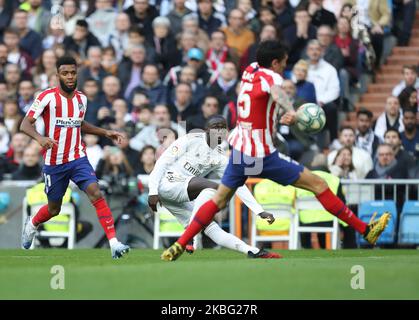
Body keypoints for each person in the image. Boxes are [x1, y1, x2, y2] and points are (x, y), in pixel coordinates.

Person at [161, 40, 390, 261]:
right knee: (319, 185)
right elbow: (277, 93)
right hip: (261, 154)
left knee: (219, 200)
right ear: (274, 63)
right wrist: (293, 111)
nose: (284, 67)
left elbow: (262, 104)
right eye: (283, 62)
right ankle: (365, 230)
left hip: (239, 149)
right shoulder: (271, 76)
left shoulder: (250, 71)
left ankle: (181, 242)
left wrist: (280, 115)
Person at [20, 56, 130, 259]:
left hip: (77, 157)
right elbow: (25, 124)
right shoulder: (47, 97)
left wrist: (105, 132)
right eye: (65, 73)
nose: (70, 77)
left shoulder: (82, 99)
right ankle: (33, 223)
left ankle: (113, 243)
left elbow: (79, 123)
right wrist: (40, 138)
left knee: (96, 193)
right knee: (54, 209)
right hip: (54, 162)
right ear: (57, 75)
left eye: (73, 72)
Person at [149, 115, 279, 258]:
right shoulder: (190, 139)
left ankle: (252, 251)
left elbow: (237, 184)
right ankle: (191, 237)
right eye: (216, 127)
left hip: (180, 194)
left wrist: (259, 210)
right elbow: (162, 162)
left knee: (212, 228)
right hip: (166, 184)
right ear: (206, 130)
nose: (219, 131)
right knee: (215, 189)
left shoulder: (219, 157)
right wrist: (153, 191)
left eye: (223, 128)